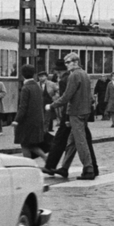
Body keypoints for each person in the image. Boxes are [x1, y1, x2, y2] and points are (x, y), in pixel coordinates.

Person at [43, 52, 98, 181]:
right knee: (72, 142)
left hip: (75, 112)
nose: (66, 65)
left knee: (80, 142)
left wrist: (51, 106)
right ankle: (64, 168)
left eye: (68, 63)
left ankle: (88, 169)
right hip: (84, 112)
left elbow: (67, 96)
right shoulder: (85, 74)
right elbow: (90, 97)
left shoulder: (74, 75)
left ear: (74, 62)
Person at [14, 63, 49, 159]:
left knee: (24, 143)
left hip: (27, 121)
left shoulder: (26, 88)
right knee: (31, 145)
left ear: (22, 74)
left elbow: (23, 107)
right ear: (34, 74)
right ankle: (47, 160)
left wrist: (16, 120)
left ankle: (29, 165)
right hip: (37, 120)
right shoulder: (37, 86)